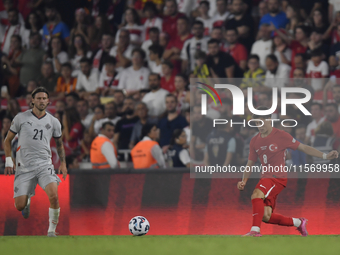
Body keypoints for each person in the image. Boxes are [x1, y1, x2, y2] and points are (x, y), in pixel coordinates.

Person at [237, 106, 339, 237]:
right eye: (257, 123)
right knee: (265, 216)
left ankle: (254, 231)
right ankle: (298, 222)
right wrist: (243, 181)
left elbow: (303, 147)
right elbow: (249, 163)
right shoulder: (254, 141)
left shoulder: (281, 135)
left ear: (269, 119)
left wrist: (325, 156)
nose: (260, 126)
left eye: (262, 122)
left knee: (256, 194)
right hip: (267, 177)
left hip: (276, 177)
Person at [4, 87, 67, 237]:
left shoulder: (54, 121)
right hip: (24, 167)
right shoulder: (21, 118)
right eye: (38, 98)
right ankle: (26, 202)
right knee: (19, 206)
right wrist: (8, 161)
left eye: (44, 98)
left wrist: (63, 163)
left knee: (54, 196)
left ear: (48, 101)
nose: (41, 101)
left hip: (45, 164)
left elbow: (59, 144)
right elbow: (7, 140)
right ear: (32, 101)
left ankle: (51, 231)